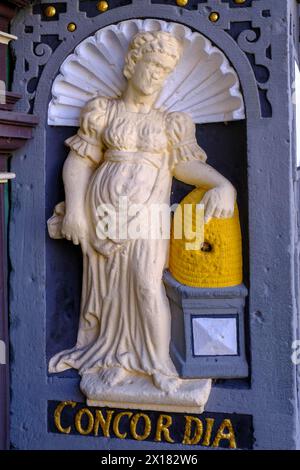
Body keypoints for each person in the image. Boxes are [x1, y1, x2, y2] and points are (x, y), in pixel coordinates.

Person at [49, 31, 236, 393]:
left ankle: (158, 363)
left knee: (148, 286)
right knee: (111, 292)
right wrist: (75, 210)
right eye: (152, 65)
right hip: (104, 217)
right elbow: (79, 162)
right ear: (133, 64)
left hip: (148, 217)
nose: (157, 76)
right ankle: (116, 359)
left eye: (165, 70)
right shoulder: (103, 111)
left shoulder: (171, 121)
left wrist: (221, 184)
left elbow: (184, 166)